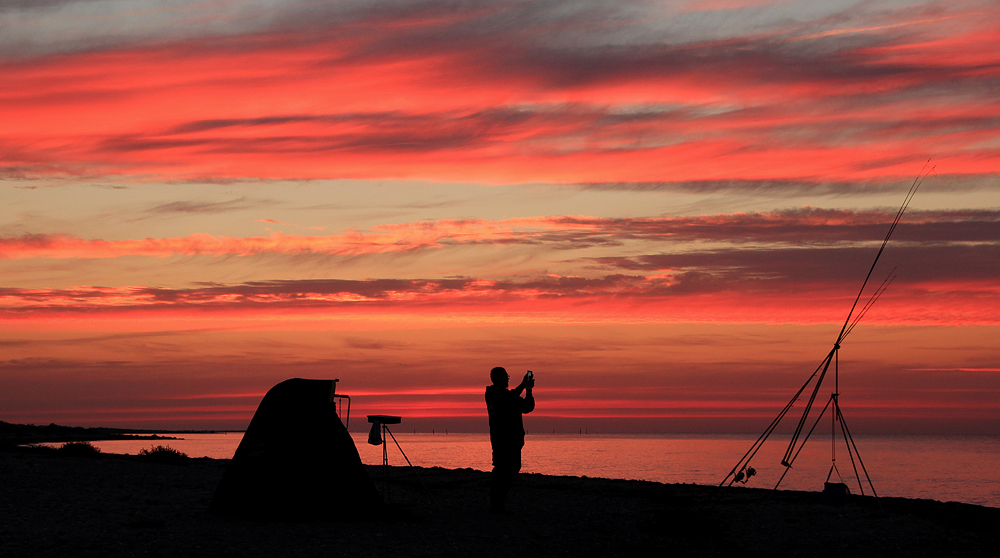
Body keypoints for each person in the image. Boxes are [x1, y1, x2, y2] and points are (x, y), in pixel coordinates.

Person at [485, 366, 534, 513]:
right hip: (509, 441)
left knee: (500, 470)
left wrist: (523, 385)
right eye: (506, 376)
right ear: (500, 378)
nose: (507, 379)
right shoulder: (503, 396)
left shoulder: (492, 393)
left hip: (499, 440)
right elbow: (527, 406)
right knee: (508, 470)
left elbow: (511, 396)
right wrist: (529, 390)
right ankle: (497, 505)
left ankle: (496, 504)